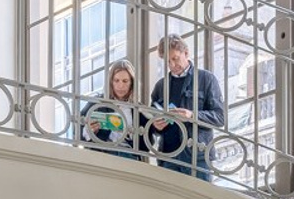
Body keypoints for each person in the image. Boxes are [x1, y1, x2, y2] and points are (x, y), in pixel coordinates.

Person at [148, 35, 226, 181]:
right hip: (168, 158)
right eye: (167, 61)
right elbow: (150, 125)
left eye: (175, 58)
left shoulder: (206, 79)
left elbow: (220, 117)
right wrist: (155, 125)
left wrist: (192, 115)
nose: (171, 65)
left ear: (186, 53)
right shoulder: (160, 86)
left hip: (198, 156)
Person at [80, 59, 146, 161]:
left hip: (128, 156)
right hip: (102, 154)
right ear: (111, 82)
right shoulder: (97, 103)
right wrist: (90, 131)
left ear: (131, 83)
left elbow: (146, 145)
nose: (120, 86)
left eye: (125, 81)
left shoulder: (139, 109)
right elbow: (79, 128)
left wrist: (132, 134)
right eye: (116, 80)